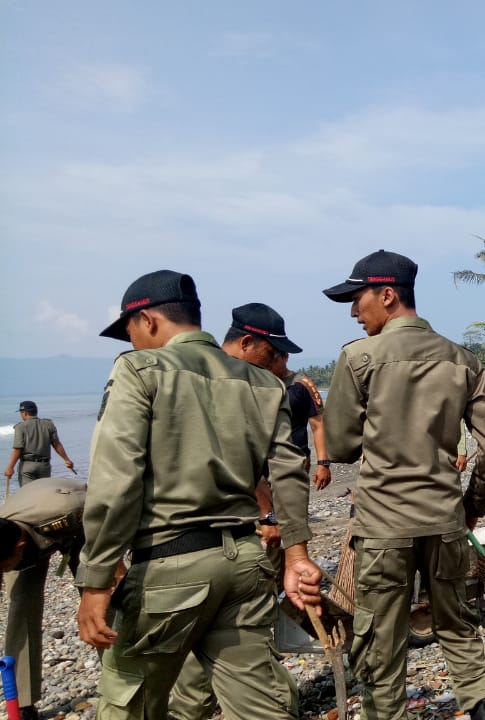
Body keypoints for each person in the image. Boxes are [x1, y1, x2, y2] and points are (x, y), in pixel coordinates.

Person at [76, 270, 322, 720]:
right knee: (258, 708)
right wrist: (296, 557)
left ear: (147, 321)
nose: (129, 343)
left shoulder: (138, 371)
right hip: (245, 566)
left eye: (128, 331)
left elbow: (116, 478)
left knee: (129, 704)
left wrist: (95, 579)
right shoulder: (264, 384)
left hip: (169, 568)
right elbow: (289, 474)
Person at [322, 250, 485, 720]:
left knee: (381, 643)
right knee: (458, 628)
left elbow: (342, 446)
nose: (352, 311)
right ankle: (484, 709)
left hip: (384, 526)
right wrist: (472, 504)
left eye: (356, 298)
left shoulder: (358, 358)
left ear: (388, 295)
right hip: (446, 521)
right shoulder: (463, 360)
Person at [167, 302, 308, 720]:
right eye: (272, 354)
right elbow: (258, 471)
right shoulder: (240, 386)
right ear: (246, 343)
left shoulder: (183, 375)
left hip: (214, 550)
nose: (278, 366)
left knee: (214, 656)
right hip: (212, 546)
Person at [1, 477, 87, 720]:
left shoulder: (70, 509)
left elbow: (106, 515)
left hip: (80, 524)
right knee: (21, 608)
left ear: (18, 546)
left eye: (3, 568)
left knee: (101, 598)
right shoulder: (3, 532)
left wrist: (112, 569)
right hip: (26, 527)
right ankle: (23, 702)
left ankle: (121, 679)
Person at [271, 353, 333, 490]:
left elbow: (318, 426)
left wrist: (323, 464)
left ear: (285, 357)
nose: (269, 363)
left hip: (296, 459)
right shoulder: (260, 382)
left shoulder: (302, 385)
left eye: (274, 358)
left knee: (293, 507)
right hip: (265, 460)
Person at [5, 401, 75, 488]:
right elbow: (57, 444)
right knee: (43, 494)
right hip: (44, 466)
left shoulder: (20, 427)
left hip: (27, 466)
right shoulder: (49, 424)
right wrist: (67, 460)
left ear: (25, 413)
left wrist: (10, 467)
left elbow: (18, 449)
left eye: (21, 412)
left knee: (28, 494)